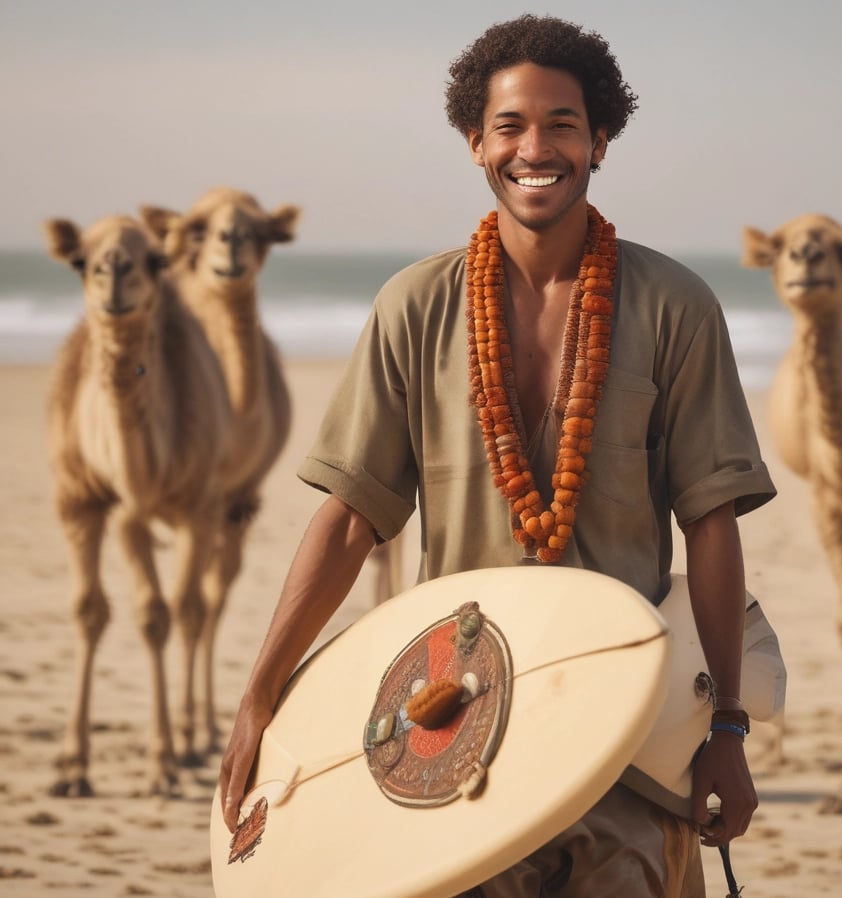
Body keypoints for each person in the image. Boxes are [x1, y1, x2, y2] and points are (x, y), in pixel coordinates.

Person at [219, 13, 775, 897]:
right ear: (475, 141)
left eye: (563, 123)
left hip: (622, 735)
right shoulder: (414, 307)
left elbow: (710, 522)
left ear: (601, 138)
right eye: (510, 126)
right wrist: (260, 693)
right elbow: (350, 516)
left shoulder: (675, 305)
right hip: (453, 732)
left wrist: (729, 731)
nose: (535, 148)